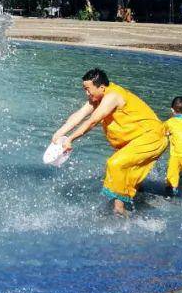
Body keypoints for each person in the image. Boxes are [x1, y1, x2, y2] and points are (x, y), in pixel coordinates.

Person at [52, 68, 168, 215]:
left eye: (88, 90)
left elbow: (93, 120)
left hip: (152, 137)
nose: (87, 93)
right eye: (85, 89)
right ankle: (138, 196)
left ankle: (120, 211)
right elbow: (80, 115)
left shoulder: (113, 96)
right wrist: (59, 133)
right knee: (124, 169)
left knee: (115, 164)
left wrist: (70, 139)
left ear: (101, 87)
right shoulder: (98, 97)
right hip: (137, 140)